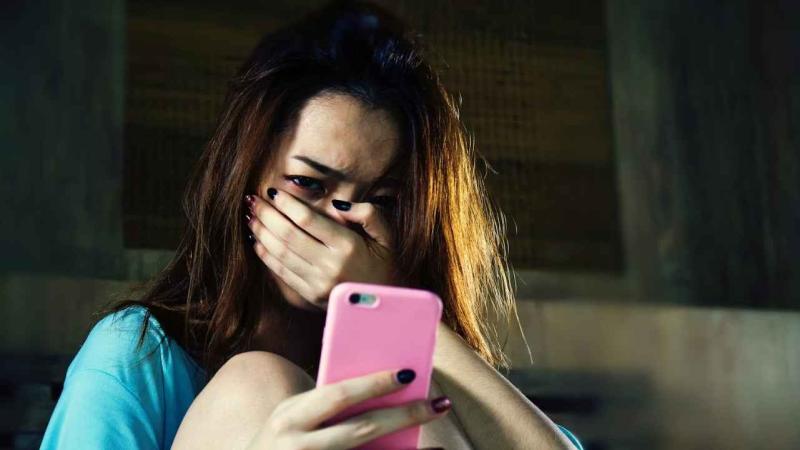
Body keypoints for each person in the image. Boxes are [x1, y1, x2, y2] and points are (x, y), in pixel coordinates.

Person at [40, 1, 583, 449]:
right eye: (308, 184)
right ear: (244, 179)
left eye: (383, 201)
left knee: (412, 406)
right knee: (260, 382)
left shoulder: (419, 364)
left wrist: (390, 309)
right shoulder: (136, 355)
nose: (343, 233)